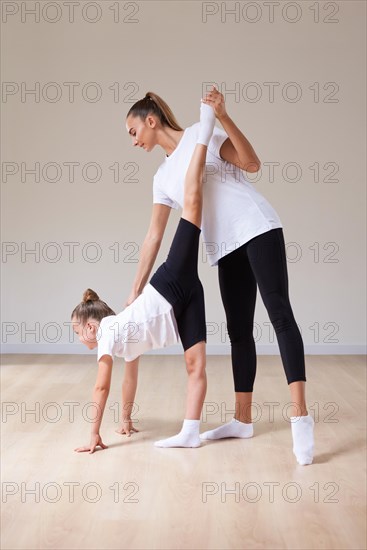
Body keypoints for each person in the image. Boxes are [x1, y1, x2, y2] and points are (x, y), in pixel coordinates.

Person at [125, 87, 314, 465]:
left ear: (150, 121)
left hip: (257, 227)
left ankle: (300, 415)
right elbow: (154, 236)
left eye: (133, 132)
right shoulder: (162, 177)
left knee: (279, 314)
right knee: (238, 331)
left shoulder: (202, 132)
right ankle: (242, 420)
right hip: (223, 245)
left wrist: (224, 115)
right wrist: (135, 293)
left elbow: (251, 163)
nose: (133, 141)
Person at [71, 102, 217, 453]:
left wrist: (93, 432)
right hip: (185, 298)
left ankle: (205, 132)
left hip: (168, 283)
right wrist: (124, 419)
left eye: (77, 331)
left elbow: (101, 388)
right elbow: (129, 380)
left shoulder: (107, 334)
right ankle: (191, 431)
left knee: (192, 205)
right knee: (195, 363)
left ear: (92, 326)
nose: (79, 338)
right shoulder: (124, 335)